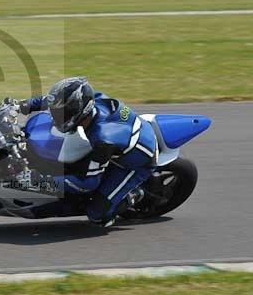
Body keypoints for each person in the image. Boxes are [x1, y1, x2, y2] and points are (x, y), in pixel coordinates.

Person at [9, 77, 158, 227]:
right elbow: (51, 100)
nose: (55, 117)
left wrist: (40, 180)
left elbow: (89, 183)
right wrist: (22, 105)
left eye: (62, 113)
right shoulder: (91, 100)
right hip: (124, 137)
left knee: (97, 215)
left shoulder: (102, 140)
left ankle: (135, 194)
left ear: (77, 112)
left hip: (138, 162)